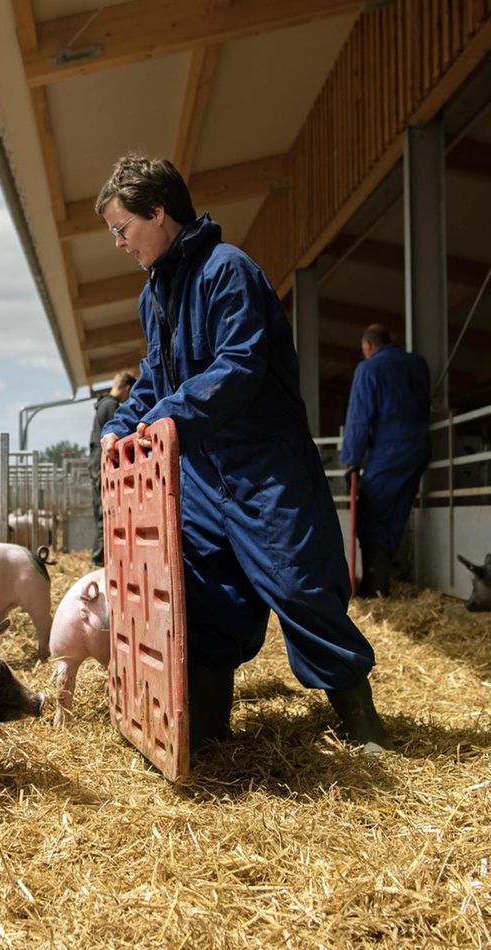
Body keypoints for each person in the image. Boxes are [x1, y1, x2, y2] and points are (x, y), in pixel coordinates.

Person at [95, 154, 393, 752]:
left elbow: (239, 365)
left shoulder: (228, 271)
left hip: (265, 467)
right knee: (204, 591)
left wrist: (159, 417)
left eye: (122, 228)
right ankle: (207, 730)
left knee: (299, 585)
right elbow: (155, 376)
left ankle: (364, 728)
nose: (120, 243)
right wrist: (122, 425)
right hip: (203, 473)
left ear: (158, 212)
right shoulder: (154, 295)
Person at [341, 324, 430, 597]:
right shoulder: (417, 364)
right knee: (397, 512)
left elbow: (359, 418)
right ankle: (383, 580)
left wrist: (352, 460)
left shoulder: (368, 369)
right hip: (419, 449)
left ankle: (375, 584)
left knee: (370, 510)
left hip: (389, 449)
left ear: (368, 346)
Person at [89, 370, 137, 565]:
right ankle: (99, 560)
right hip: (102, 465)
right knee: (105, 511)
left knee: (103, 510)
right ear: (127, 389)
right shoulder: (111, 406)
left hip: (96, 463)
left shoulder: (104, 404)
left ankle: (99, 558)